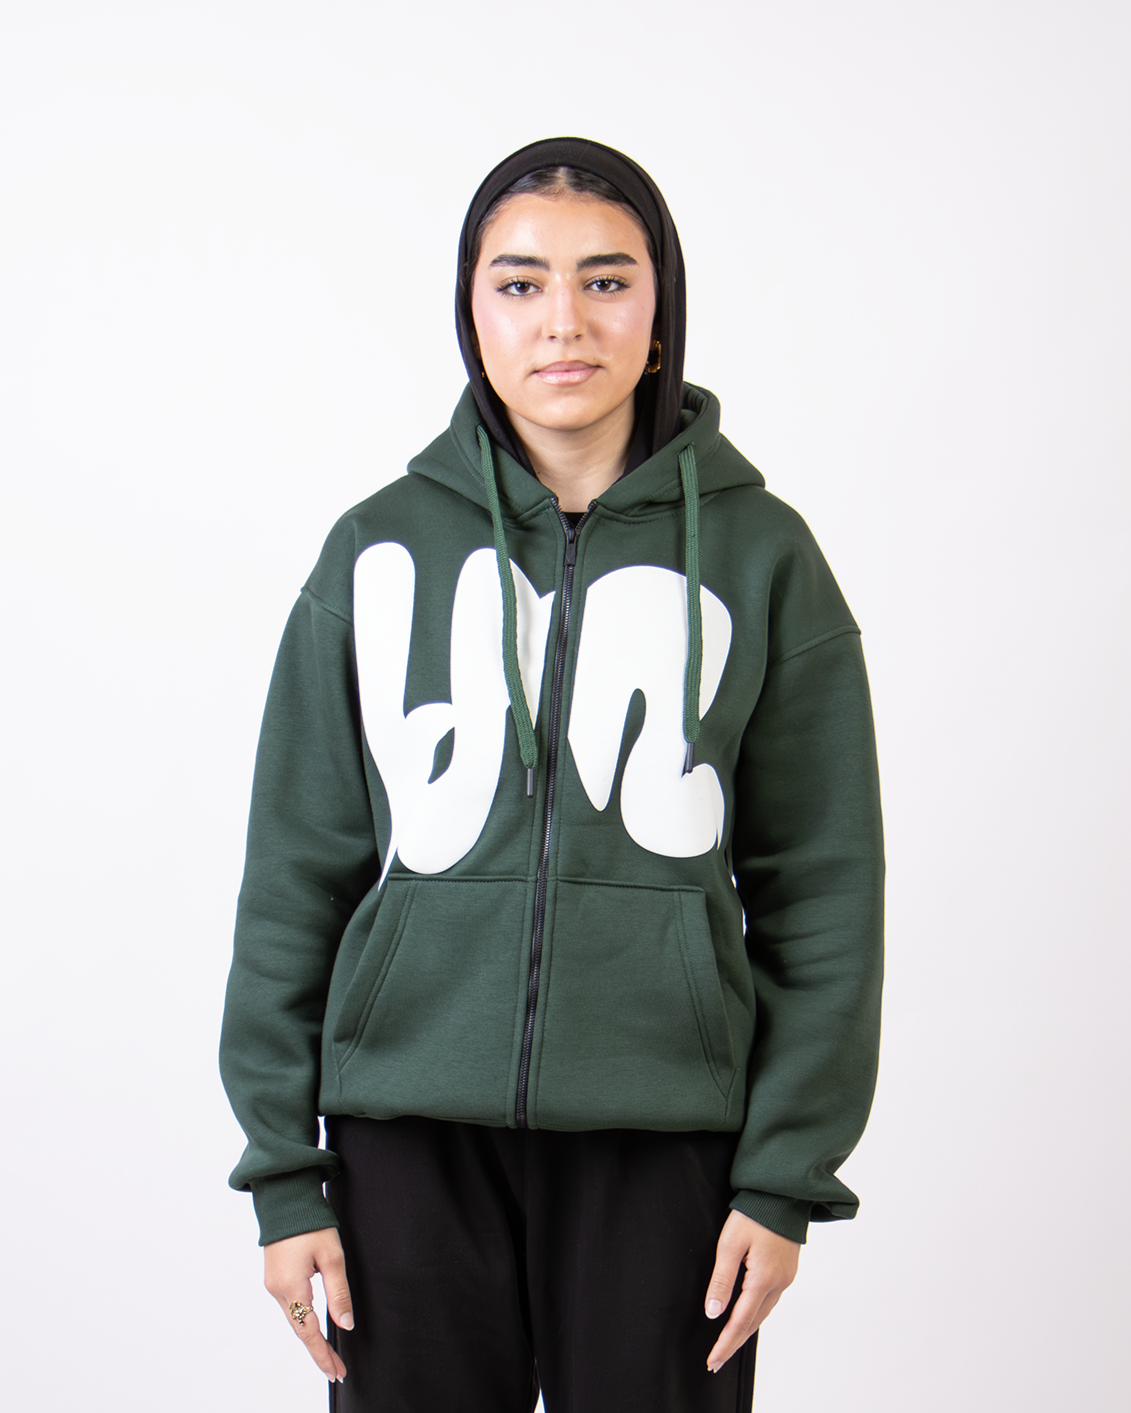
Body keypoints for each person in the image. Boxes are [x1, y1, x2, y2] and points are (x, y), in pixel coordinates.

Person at [220, 135, 885, 1413]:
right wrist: (282, 1175)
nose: (564, 321)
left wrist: (782, 1176)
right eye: (520, 283)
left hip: (667, 1143)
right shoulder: (377, 550)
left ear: (660, 305)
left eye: (607, 280)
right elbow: (295, 874)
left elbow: (824, 889)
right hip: (404, 1137)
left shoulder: (764, 556)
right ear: (470, 309)